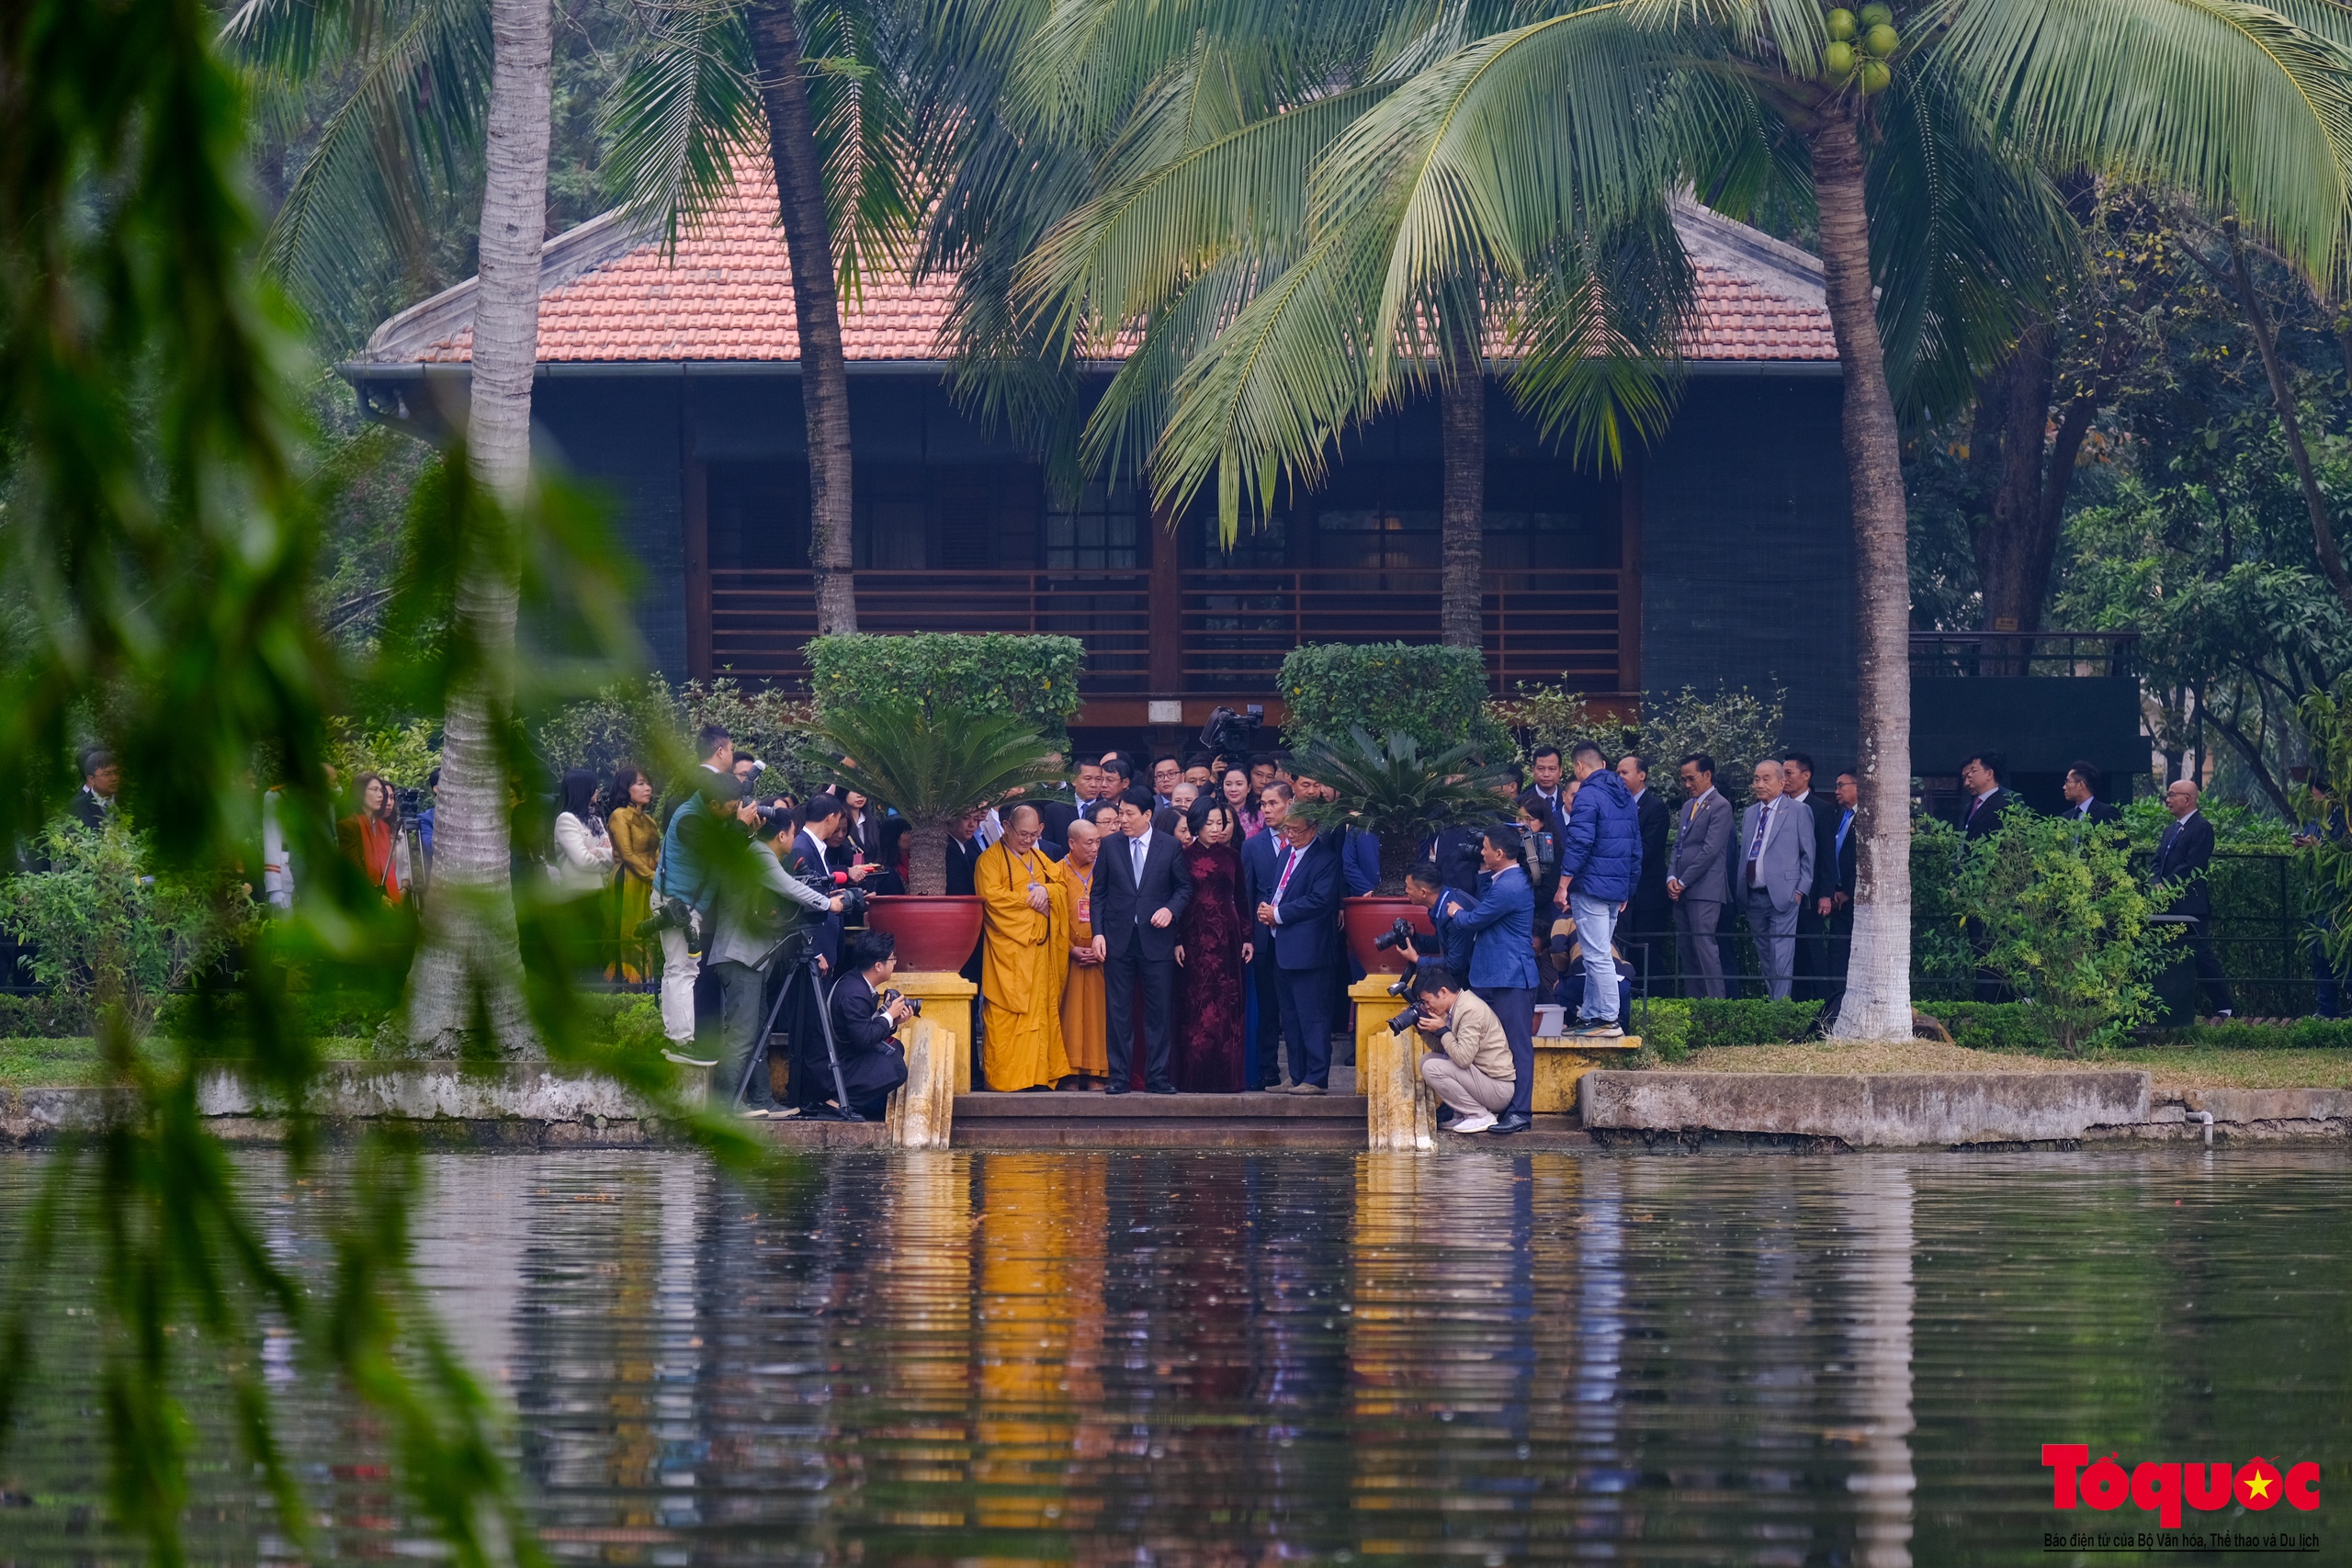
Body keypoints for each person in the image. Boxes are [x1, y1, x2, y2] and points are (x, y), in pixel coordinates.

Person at [702, 799, 841, 1117]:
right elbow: (788, 887)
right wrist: (828, 905)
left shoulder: (764, 856)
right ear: (782, 836)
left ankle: (761, 1100)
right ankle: (724, 1108)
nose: (795, 840)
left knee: (759, 1033)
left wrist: (822, 897)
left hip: (754, 958)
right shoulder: (759, 855)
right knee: (742, 1035)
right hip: (740, 958)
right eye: (794, 833)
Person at [1094, 788, 1194, 1093]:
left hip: (1156, 940)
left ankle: (1158, 1077)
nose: (1121, 820)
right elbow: (1098, 893)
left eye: (1128, 814)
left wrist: (1170, 909)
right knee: (1118, 1010)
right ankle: (1119, 1077)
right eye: (1120, 813)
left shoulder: (1170, 846)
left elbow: (1184, 888)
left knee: (1158, 1011)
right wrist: (1098, 932)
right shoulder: (1110, 845)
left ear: (1147, 815)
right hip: (1118, 939)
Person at [652, 724, 739, 1061]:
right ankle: (682, 1043)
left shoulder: (704, 809)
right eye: (730, 807)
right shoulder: (690, 812)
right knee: (681, 970)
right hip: (678, 902)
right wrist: (740, 828)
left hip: (692, 903)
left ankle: (681, 1038)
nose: (733, 812)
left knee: (682, 970)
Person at [975, 803, 1074, 1091]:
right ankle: (1007, 1080)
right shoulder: (989, 861)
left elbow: (1060, 886)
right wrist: (1035, 905)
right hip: (1008, 955)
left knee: (1041, 1014)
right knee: (1008, 1015)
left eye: (1033, 834)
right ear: (1006, 827)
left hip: (1040, 955)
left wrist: (1047, 892)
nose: (1028, 840)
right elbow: (993, 902)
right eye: (1022, 834)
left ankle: (1039, 1076)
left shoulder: (1041, 859)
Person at [1452, 823, 1540, 1133]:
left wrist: (1453, 913)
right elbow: (1485, 899)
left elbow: (1476, 918)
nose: (1482, 851)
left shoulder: (1511, 884)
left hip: (1513, 977)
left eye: (1486, 847)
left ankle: (1521, 1113)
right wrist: (1482, 870)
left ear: (1500, 854)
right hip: (1499, 975)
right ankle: (1505, 1109)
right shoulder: (1503, 878)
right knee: (1501, 1044)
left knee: (1518, 1046)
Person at [1553, 740, 1639, 1038]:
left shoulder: (1587, 794)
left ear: (1579, 767)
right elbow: (1635, 846)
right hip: (1616, 888)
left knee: (1597, 954)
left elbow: (1579, 842)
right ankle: (1591, 1014)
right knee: (1596, 952)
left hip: (1590, 886)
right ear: (1603, 765)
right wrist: (1628, 888)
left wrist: (1563, 883)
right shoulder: (1625, 796)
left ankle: (1608, 1019)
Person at [1258, 810, 1343, 1094]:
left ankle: (1316, 1078)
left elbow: (1320, 900)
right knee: (1290, 1017)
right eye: (1287, 830)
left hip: (1310, 950)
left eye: (1296, 830)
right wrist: (1267, 909)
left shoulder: (1326, 859)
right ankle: (1296, 1076)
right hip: (1281, 945)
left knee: (1313, 1015)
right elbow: (1279, 890)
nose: (1290, 835)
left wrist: (1278, 914)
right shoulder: (1285, 855)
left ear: (1314, 828)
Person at [1173, 801, 1249, 1092]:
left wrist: (1248, 937)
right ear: (1196, 824)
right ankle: (1193, 1078)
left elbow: (1241, 899)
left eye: (1221, 823)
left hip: (1228, 939)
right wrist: (1177, 940)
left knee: (1227, 1006)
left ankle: (1227, 1079)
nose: (1216, 829)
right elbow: (1177, 900)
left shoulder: (1232, 857)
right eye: (1210, 823)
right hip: (1193, 937)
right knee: (1195, 1006)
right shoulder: (1182, 856)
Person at [2154, 779, 2234, 1018]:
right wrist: (2155, 882)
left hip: (2191, 904)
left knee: (2199, 954)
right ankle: (2172, 1008)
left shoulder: (2202, 827)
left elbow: (2192, 865)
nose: (2167, 799)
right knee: (2168, 955)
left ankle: (2225, 1006)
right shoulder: (2170, 829)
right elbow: (2157, 861)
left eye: (2172, 795)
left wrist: (2166, 885)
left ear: (2187, 799)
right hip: (2166, 903)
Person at [1736, 759, 1814, 1001]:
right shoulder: (1750, 813)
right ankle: (1772, 1007)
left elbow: (1808, 855)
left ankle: (1780, 1011)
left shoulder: (1799, 811)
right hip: (1753, 895)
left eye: (1766, 779)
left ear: (1782, 782)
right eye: (1756, 779)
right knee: (1765, 957)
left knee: (1781, 957)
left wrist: (1800, 890)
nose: (1759, 784)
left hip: (1784, 895)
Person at [1410, 962, 1517, 1135]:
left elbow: (1462, 1058)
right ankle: (1463, 1115)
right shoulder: (1456, 1008)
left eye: (1427, 1001)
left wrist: (1443, 1030)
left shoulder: (1470, 1010)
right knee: (1427, 1060)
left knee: (1432, 1067)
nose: (1427, 1007)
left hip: (1498, 1089)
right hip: (1481, 1080)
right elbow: (1445, 1049)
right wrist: (1424, 1031)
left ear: (1443, 991)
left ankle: (1479, 1115)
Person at [823, 929, 915, 1119]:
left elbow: (862, 1030)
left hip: (845, 1052)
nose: (895, 962)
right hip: (831, 1065)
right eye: (892, 959)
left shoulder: (857, 981)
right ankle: (838, 1101)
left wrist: (892, 1020)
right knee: (897, 1070)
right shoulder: (854, 993)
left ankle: (863, 1104)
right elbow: (863, 1040)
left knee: (895, 1048)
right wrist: (888, 1016)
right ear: (878, 966)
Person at [1668, 753, 1734, 999]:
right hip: (1681, 889)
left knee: (1705, 947)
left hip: (1705, 889)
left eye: (1691, 778)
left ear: (1707, 775)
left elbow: (1710, 850)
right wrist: (1671, 878)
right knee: (1687, 949)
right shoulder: (1688, 806)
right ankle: (1694, 1004)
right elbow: (1678, 846)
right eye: (1684, 779)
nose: (1687, 784)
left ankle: (1716, 1005)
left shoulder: (1721, 805)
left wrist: (1683, 881)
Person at [1241, 783, 1295, 1088]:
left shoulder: (1307, 842)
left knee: (1293, 1004)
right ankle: (1266, 1066)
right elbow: (1246, 894)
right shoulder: (1253, 845)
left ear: (1290, 803)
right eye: (1262, 804)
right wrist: (1248, 935)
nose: (1266, 809)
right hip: (1262, 938)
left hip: (1294, 933)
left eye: (1273, 803)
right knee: (1267, 1005)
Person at [1781, 752, 1841, 1000]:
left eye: (1789, 773)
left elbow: (1827, 854)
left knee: (1813, 949)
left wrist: (1826, 894)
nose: (1783, 779)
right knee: (1789, 951)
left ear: (1806, 776)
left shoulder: (1822, 809)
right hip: (1784, 891)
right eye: (1781, 773)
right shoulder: (1780, 806)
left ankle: (1822, 1002)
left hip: (1812, 892)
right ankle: (1795, 1000)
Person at [1059, 818, 1111, 1086]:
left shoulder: (1107, 868)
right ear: (1072, 843)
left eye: (1098, 842)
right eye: (1089, 842)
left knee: (1098, 1017)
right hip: (1069, 956)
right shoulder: (1056, 872)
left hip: (1100, 953)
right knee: (1068, 1015)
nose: (1095, 848)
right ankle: (1068, 1073)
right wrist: (1070, 949)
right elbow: (1051, 920)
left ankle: (1097, 1073)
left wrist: (1102, 944)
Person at [1618, 753, 1672, 998]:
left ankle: (1657, 1001)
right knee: (1624, 949)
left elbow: (1648, 850)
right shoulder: (1616, 805)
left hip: (1648, 895)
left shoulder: (1656, 808)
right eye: (1617, 773)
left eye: (1624, 773)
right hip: (1623, 892)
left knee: (1647, 951)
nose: (1619, 778)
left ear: (1642, 775)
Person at [606, 766, 660, 984]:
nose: (647, 788)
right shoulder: (619, 816)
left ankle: (648, 985)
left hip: (648, 882)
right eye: (640, 783)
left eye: (647, 783)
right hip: (627, 880)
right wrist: (654, 877)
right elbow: (627, 854)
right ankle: (625, 986)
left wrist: (660, 877)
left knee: (648, 933)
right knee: (627, 932)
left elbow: (656, 853)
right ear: (625, 789)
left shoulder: (649, 820)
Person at [338, 773, 411, 905]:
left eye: (382, 791)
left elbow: (388, 868)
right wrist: (377, 897)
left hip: (387, 894)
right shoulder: (348, 826)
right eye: (374, 790)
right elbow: (354, 870)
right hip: (362, 899)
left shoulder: (383, 827)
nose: (380, 795)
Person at [550, 768, 613, 897]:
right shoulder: (566, 820)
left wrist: (596, 852)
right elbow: (582, 860)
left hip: (598, 889)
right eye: (593, 787)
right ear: (582, 790)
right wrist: (605, 866)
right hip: (578, 892)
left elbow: (614, 852)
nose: (597, 791)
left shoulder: (594, 818)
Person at [1826, 770, 1860, 989]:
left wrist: (1849, 890)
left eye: (1841, 785)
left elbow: (1865, 860)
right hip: (1836, 895)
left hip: (1856, 898)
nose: (1836, 791)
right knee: (1836, 954)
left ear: (1858, 786)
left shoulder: (1868, 818)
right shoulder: (1840, 816)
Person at [1958, 750, 2018, 839]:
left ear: (1989, 774)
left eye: (1974, 771)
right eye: (1965, 777)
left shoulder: (2009, 799)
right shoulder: (1970, 806)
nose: (1967, 782)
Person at [69, 748, 120, 831]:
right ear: (91, 779)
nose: (114, 778)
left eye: (116, 772)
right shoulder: (76, 808)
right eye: (107, 774)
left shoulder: (128, 803)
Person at [2063, 761, 2123, 828]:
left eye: (2067, 782)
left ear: (2080, 785)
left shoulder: (2107, 813)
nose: (2064, 787)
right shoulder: (2066, 817)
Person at [944, 807, 987, 897]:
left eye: (975, 819)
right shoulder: (950, 850)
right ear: (952, 819)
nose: (972, 824)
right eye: (966, 818)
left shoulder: (959, 847)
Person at [1525, 745, 1569, 829]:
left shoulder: (1569, 800)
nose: (1546, 774)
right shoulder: (1520, 803)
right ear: (1533, 770)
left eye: (1552, 769)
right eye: (1541, 769)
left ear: (1560, 771)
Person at [1219, 766, 1263, 838]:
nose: (1233, 789)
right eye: (1228, 784)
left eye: (1239, 784)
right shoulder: (1215, 814)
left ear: (1249, 787)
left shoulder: (1260, 816)